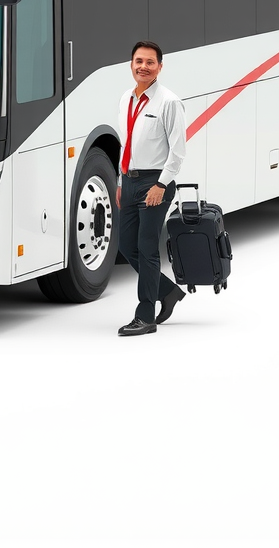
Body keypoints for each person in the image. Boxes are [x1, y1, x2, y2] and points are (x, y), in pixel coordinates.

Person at [115, 41, 187, 336]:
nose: (143, 66)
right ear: (131, 64)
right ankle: (168, 291)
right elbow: (126, 145)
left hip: (155, 182)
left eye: (149, 62)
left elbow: (178, 151)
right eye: (138, 61)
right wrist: (121, 182)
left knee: (146, 248)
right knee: (125, 246)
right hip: (130, 181)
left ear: (160, 67)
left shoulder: (169, 102)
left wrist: (161, 184)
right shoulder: (126, 99)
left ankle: (145, 315)